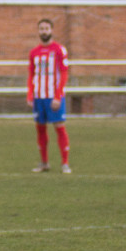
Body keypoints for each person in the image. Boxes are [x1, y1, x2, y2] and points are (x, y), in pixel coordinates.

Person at [27, 18, 71, 173]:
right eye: (41, 29)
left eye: (46, 28)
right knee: (40, 129)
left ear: (51, 30)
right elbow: (31, 74)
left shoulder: (59, 50)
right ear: (38, 31)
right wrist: (30, 95)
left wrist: (58, 96)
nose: (44, 31)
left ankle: (65, 163)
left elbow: (64, 74)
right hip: (39, 96)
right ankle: (44, 163)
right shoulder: (34, 52)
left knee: (59, 127)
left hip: (53, 97)